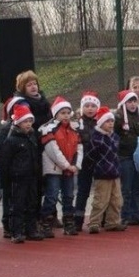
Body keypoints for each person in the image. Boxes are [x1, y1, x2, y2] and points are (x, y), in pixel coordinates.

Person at [0, 104, 44, 243]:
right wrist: (6, 180)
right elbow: (5, 161)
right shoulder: (11, 141)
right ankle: (16, 231)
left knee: (32, 204)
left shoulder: (32, 138)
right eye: (25, 121)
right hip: (18, 179)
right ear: (18, 122)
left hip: (32, 177)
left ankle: (31, 230)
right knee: (17, 205)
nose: (28, 124)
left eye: (30, 121)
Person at [38, 96, 82, 237]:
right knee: (51, 196)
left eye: (68, 112)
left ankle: (69, 223)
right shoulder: (48, 129)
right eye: (62, 113)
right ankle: (45, 224)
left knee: (69, 195)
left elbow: (79, 148)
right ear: (55, 114)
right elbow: (53, 151)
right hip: (54, 170)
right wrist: (67, 166)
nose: (66, 115)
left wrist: (76, 165)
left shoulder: (74, 129)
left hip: (70, 169)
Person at [85, 106, 125, 234]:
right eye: (107, 121)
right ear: (101, 123)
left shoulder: (115, 137)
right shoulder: (96, 139)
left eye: (112, 121)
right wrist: (96, 168)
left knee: (117, 200)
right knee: (100, 200)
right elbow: (90, 156)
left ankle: (112, 222)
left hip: (115, 173)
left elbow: (116, 154)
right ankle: (94, 222)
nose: (110, 124)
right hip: (102, 174)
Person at [0, 96, 28, 238]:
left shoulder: (28, 130)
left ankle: (22, 224)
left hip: (25, 172)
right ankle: (8, 225)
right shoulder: (6, 129)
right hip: (10, 173)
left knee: (23, 199)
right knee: (10, 198)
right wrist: (8, 169)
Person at [114, 90, 139, 226]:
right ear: (124, 103)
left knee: (137, 187)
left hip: (138, 156)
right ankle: (124, 215)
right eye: (129, 101)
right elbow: (114, 135)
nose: (132, 104)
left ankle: (135, 214)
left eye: (134, 101)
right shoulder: (119, 117)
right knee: (126, 188)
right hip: (124, 156)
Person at [73, 91, 100, 232]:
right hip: (84, 164)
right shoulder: (77, 125)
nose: (90, 109)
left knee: (101, 192)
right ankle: (78, 220)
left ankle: (100, 218)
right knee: (83, 192)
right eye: (87, 106)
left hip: (100, 163)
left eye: (93, 106)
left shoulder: (101, 124)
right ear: (82, 108)